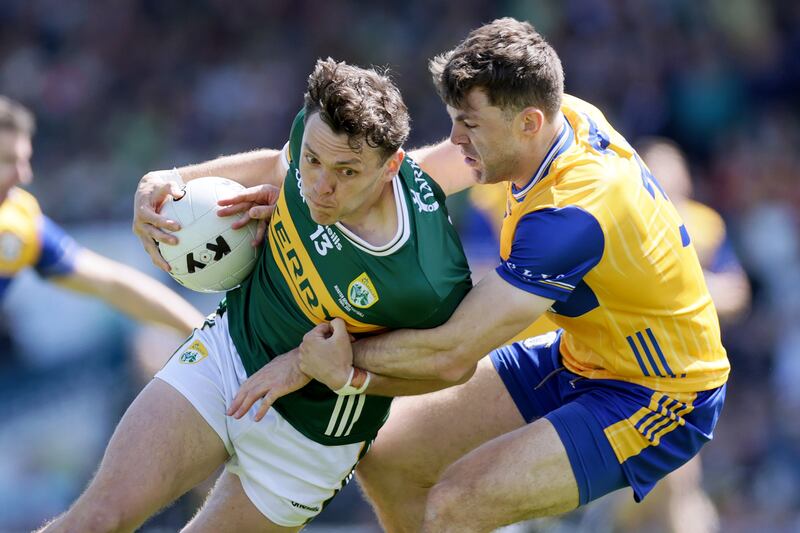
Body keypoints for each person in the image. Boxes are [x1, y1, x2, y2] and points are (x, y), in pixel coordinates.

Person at [233, 18, 730, 533]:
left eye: (469, 124)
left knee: (457, 505)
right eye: (454, 118)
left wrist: (316, 361)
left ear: (529, 123)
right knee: (388, 455)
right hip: (581, 356)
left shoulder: (569, 217)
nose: (454, 137)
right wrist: (305, 202)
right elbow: (420, 175)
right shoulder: (554, 119)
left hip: (661, 393)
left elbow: (452, 349)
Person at [39, 58, 472, 532]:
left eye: (346, 173)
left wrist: (348, 373)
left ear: (392, 166)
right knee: (97, 518)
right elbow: (275, 163)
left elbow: (448, 365)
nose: (319, 188)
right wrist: (174, 179)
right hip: (227, 353)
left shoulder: (427, 277)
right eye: (313, 161)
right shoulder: (318, 131)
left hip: (311, 439)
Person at [606, 138, 750, 533]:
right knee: (641, 490)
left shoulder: (706, 225)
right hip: (625, 370)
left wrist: (689, 291)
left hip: (690, 370)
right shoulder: (621, 227)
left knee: (679, 481)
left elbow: (737, 294)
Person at [0, 96, 202, 336]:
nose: (24, 176)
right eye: (8, 161)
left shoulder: (19, 221)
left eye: (25, 160)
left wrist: (203, 332)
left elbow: (114, 285)